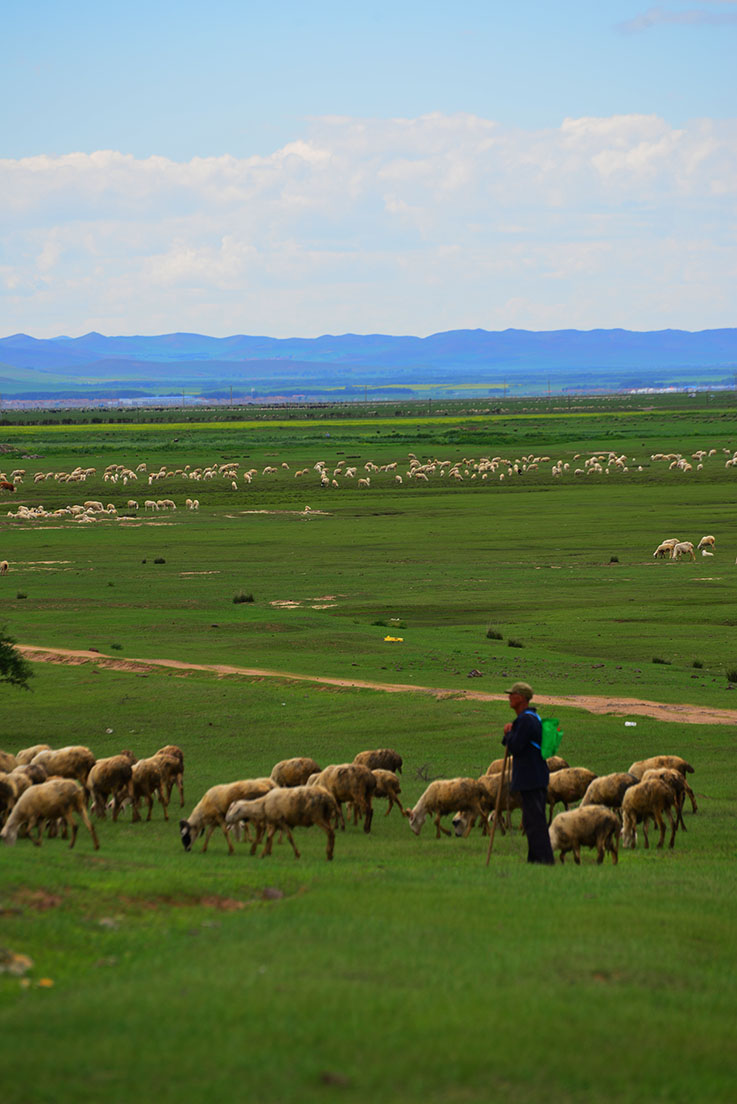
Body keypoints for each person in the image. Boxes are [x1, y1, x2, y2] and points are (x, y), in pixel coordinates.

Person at [502, 681, 555, 865]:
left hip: (530, 778)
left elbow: (515, 746)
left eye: (512, 694)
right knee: (533, 820)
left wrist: (508, 733)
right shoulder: (532, 718)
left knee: (535, 822)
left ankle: (544, 860)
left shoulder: (525, 720)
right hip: (535, 777)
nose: (509, 697)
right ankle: (536, 859)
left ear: (521, 698)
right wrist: (510, 733)